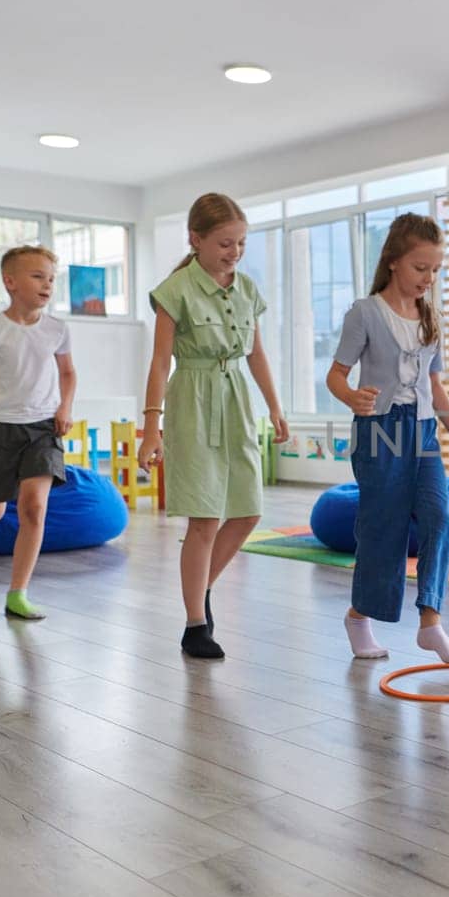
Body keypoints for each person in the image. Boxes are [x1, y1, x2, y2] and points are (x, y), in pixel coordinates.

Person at [327, 213, 449, 662]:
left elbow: (435, 387)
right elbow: (335, 375)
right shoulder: (364, 313)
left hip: (422, 434)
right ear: (394, 261)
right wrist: (352, 398)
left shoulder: (430, 317)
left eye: (436, 270)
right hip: (379, 431)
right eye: (421, 268)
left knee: (440, 519)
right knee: (384, 530)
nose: (429, 278)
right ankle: (360, 616)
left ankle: (431, 623)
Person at [139, 193, 289, 659]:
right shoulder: (176, 290)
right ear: (196, 239)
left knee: (247, 512)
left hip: (237, 399)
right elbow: (160, 360)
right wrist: (151, 427)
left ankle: (198, 588)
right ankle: (195, 624)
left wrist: (276, 408)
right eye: (226, 243)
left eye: (241, 243)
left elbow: (257, 354)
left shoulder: (247, 290)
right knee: (204, 517)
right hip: (192, 401)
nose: (235, 252)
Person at [0, 245, 75, 620]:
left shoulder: (57, 329)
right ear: (10, 282)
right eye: (38, 277)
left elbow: (68, 374)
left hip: (42, 429)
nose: (47, 285)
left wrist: (65, 406)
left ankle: (18, 593)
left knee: (34, 508)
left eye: (51, 279)